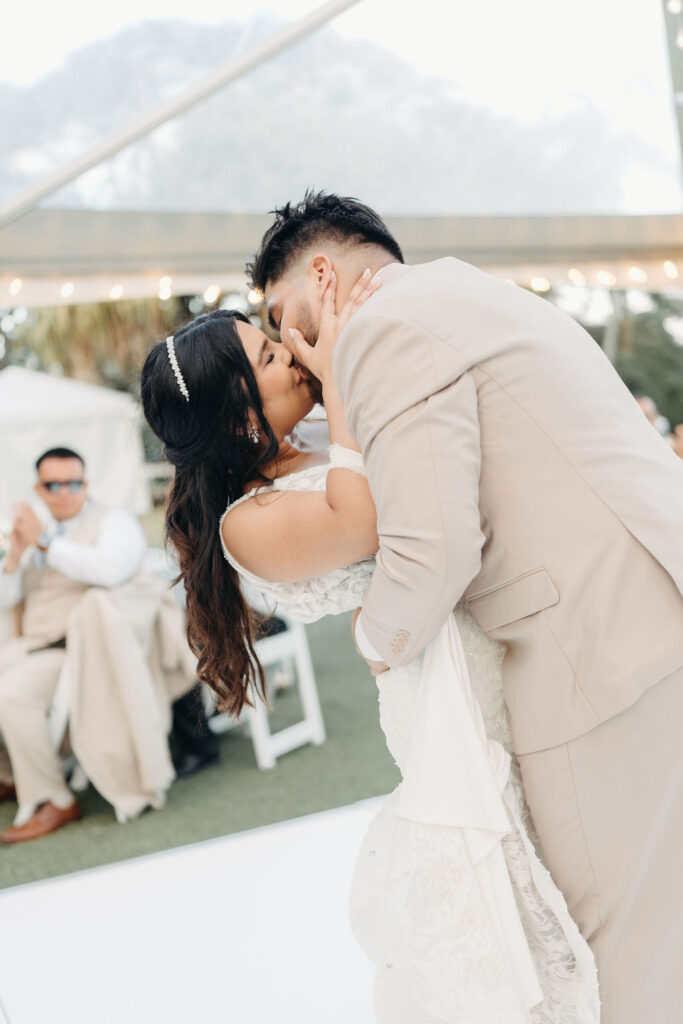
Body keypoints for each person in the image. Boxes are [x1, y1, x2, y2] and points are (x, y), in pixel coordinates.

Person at [244, 191, 683, 1024]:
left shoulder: (380, 330)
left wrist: (375, 640)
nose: (292, 348)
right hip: (651, 611)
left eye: (282, 316)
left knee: (610, 949)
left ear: (324, 274)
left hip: (590, 653)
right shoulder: (468, 289)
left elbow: (433, 550)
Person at [141, 286, 600, 1020]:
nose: (291, 356)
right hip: (436, 685)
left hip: (480, 633)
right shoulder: (245, 524)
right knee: (509, 854)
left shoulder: (317, 437)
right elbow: (360, 522)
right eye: (268, 356)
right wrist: (344, 377)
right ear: (234, 414)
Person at [0, 447, 146, 842]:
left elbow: (111, 570)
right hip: (30, 644)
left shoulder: (113, 521)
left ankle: (55, 800)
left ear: (86, 483)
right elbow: (8, 600)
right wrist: (14, 557)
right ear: (39, 488)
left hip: (81, 648)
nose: (64, 492)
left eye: (73, 483)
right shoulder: (33, 527)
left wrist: (45, 541)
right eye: (53, 485)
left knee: (11, 696)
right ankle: (11, 774)